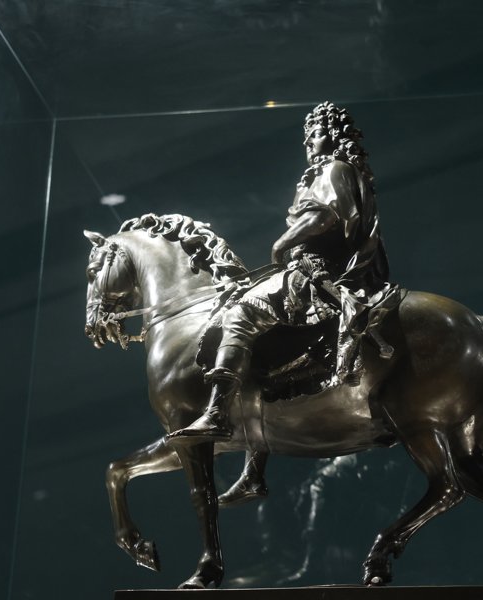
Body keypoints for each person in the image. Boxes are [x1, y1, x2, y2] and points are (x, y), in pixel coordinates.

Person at [167, 102, 398, 504]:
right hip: (309, 268)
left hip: (317, 272)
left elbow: (326, 216)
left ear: (334, 137)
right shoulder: (330, 171)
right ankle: (254, 470)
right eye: (307, 137)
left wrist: (283, 242)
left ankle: (217, 413)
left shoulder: (335, 169)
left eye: (316, 135)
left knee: (240, 313)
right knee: (263, 355)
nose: (310, 143)